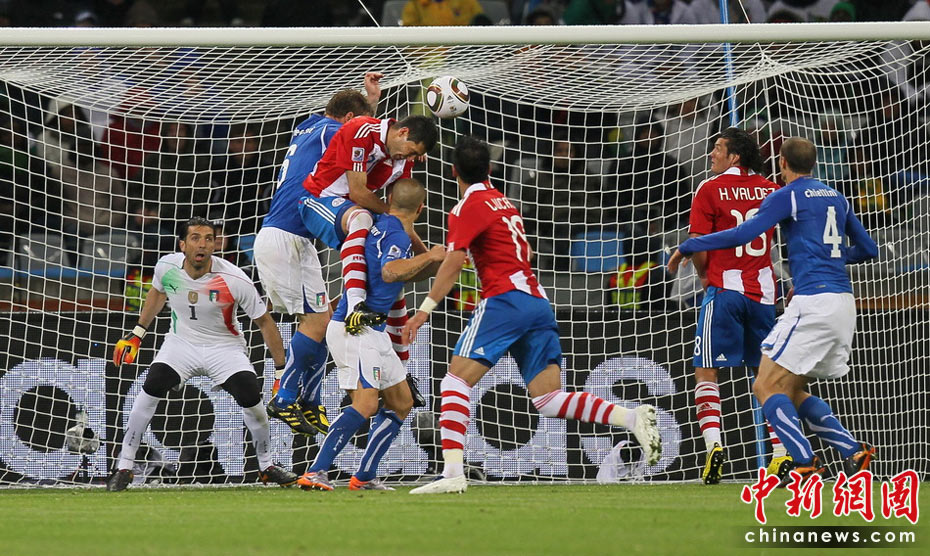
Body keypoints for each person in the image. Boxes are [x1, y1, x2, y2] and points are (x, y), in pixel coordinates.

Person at [400, 136, 662, 495]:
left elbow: (454, 262)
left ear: (453, 171)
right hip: (537, 300)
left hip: (505, 299)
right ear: (490, 169)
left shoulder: (466, 207)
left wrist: (423, 312)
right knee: (548, 399)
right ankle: (631, 417)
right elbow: (529, 252)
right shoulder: (505, 203)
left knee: (454, 383)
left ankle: (452, 473)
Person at [669, 137, 879, 485]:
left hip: (809, 303)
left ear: (782, 163)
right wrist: (830, 259)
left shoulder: (786, 195)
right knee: (791, 389)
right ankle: (853, 450)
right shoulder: (836, 196)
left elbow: (742, 233)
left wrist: (691, 244)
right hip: (842, 303)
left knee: (764, 385)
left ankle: (803, 461)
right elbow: (869, 249)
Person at [106, 217, 298, 491]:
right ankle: (124, 466)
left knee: (251, 398)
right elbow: (157, 294)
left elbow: (265, 322)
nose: (203, 244)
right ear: (182, 245)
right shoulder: (166, 266)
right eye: (195, 238)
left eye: (209, 238)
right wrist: (137, 333)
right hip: (181, 344)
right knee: (150, 388)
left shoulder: (234, 278)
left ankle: (266, 466)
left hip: (224, 347)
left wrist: (280, 372)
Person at [297, 179, 445, 491]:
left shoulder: (388, 227)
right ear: (421, 208)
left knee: (401, 402)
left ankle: (364, 476)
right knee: (366, 405)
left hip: (373, 330)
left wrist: (436, 258)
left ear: (389, 199)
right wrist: (430, 256)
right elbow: (391, 271)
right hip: (355, 327)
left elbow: (410, 270)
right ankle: (315, 471)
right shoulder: (394, 233)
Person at [255, 74, 382, 437]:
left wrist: (370, 103)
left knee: (325, 323)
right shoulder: (331, 132)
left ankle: (309, 400)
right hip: (284, 237)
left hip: (297, 240)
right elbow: (362, 138)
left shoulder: (309, 126)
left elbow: (355, 130)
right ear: (348, 120)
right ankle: (284, 395)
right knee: (315, 323)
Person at [684, 127, 787, 485]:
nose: (711, 154)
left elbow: (698, 241)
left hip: (725, 290)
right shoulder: (772, 189)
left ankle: (714, 446)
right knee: (767, 377)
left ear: (734, 156)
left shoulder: (709, 188)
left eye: (718, 148)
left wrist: (704, 276)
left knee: (706, 370)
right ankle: (780, 452)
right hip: (764, 294)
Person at [298, 112, 437, 333]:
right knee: (363, 218)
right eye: (411, 151)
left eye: (415, 155)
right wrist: (394, 220)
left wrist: (427, 257)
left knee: (393, 249)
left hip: (351, 213)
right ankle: (356, 305)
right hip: (317, 200)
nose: (410, 158)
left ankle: (396, 346)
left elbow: (401, 213)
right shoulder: (361, 130)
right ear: (403, 132)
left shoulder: (402, 161)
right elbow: (358, 193)